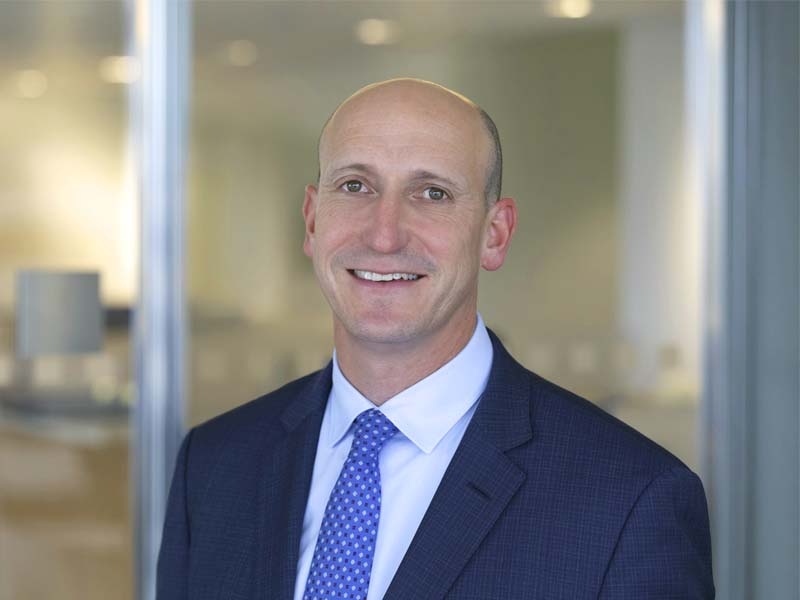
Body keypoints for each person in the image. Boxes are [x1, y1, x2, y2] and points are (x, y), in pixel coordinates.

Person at [156, 78, 714, 599]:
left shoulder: (631, 500)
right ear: (312, 220)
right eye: (355, 186)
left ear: (494, 235)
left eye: (432, 193)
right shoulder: (214, 465)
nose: (384, 235)